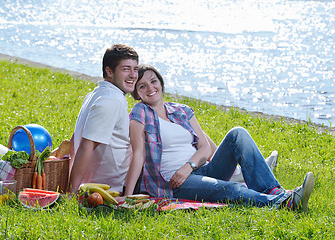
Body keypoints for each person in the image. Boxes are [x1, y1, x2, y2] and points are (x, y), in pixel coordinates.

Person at [124, 64, 315, 212]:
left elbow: (204, 147)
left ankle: (274, 191)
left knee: (237, 133)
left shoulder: (181, 110)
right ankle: (285, 203)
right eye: (142, 86)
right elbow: (138, 155)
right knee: (233, 189)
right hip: (175, 183)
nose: (150, 87)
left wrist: (188, 166)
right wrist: (127, 196)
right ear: (137, 93)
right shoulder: (141, 112)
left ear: (161, 83)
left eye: (153, 81)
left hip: (200, 170)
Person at [67, 44, 139, 193]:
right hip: (116, 185)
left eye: (135, 69)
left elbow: (76, 141)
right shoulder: (111, 100)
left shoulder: (98, 93)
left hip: (110, 180)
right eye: (126, 69)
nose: (133, 75)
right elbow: (86, 146)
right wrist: (71, 192)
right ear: (109, 71)